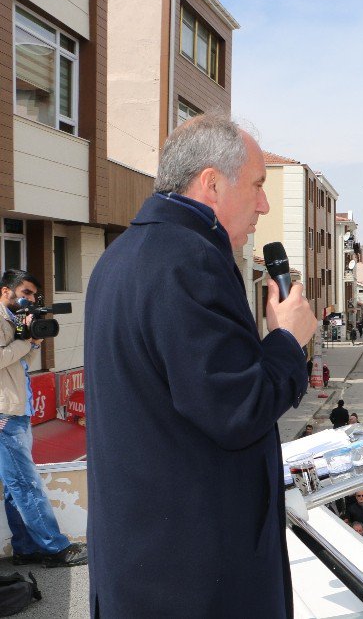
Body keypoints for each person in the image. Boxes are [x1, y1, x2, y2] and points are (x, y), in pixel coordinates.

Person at [85, 114, 317, 617]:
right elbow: (237, 409)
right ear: (211, 183)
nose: (264, 204)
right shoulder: (190, 261)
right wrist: (286, 340)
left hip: (141, 568)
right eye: (256, 185)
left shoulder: (120, 256)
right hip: (192, 583)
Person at [0, 269, 86, 568]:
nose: (30, 300)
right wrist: (26, 342)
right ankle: (54, 549)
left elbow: (20, 362)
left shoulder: (13, 320)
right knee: (25, 483)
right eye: (25, 293)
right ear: (5, 291)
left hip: (17, 410)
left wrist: (32, 341)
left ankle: (26, 547)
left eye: (34, 295)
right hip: (4, 414)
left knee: (14, 487)